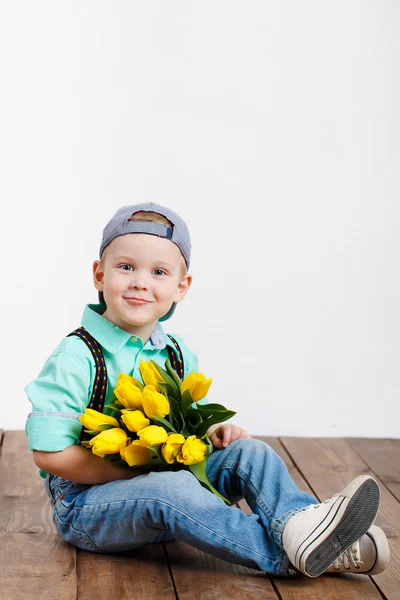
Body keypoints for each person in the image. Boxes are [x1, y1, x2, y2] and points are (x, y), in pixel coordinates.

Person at [25, 202, 390, 577]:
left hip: (174, 485)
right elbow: (48, 456)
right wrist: (138, 474)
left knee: (251, 452)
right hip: (89, 507)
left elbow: (186, 431)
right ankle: (295, 556)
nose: (140, 281)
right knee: (169, 490)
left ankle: (298, 526)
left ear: (181, 287)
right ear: (99, 275)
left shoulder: (177, 353)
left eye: (159, 272)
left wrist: (213, 432)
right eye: (126, 267)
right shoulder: (77, 355)